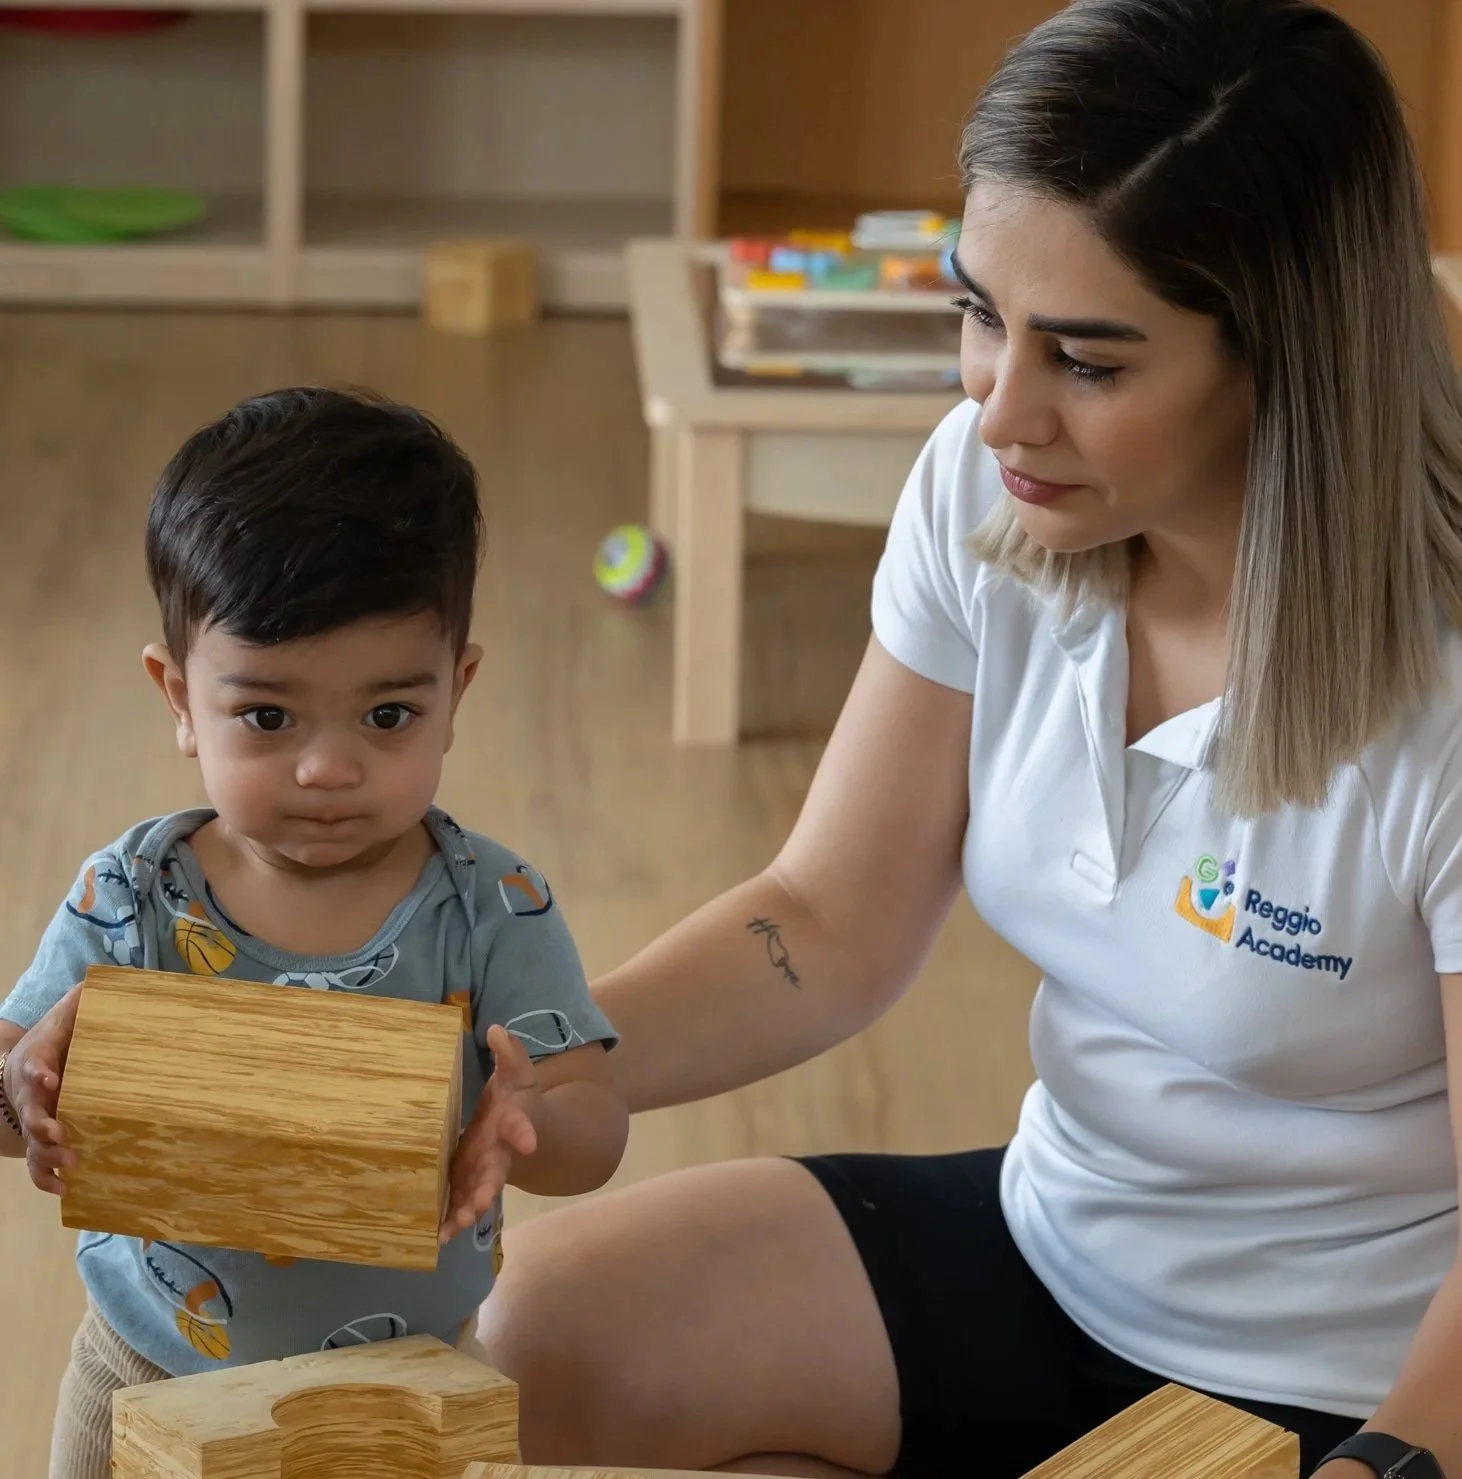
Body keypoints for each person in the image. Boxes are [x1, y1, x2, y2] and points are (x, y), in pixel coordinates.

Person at [478, 2, 1462, 1477]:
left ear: (1284, 359)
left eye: (1087, 359)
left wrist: (1398, 1455)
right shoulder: (987, 493)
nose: (998, 406)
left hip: (1350, 1374)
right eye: (977, 311)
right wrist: (543, 1060)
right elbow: (825, 917)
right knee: (519, 1338)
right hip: (1054, 1233)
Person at [0, 388, 629, 1479]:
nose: (328, 769)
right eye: (268, 716)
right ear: (180, 697)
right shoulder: (134, 892)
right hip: (146, 1366)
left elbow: (591, 1129)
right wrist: (27, 1084)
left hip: (409, 1389)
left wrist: (515, 1122)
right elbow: (14, 1102)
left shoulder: (490, 902)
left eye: (388, 716)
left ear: (455, 688)